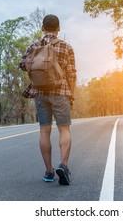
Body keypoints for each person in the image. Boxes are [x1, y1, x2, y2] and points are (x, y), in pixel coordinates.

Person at [19, 14, 76, 185]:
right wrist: (71, 94)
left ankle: (49, 172)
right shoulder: (66, 47)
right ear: (59, 28)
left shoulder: (34, 46)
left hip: (40, 93)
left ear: (42, 28)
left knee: (44, 131)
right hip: (60, 92)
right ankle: (64, 166)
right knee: (64, 130)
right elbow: (72, 74)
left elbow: (22, 65)